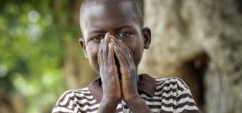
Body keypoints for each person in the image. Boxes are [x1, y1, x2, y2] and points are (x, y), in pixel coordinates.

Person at [52, 0, 200, 112]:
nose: (111, 45)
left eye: (124, 34)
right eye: (97, 38)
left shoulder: (173, 91)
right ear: (84, 49)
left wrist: (134, 100)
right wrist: (109, 101)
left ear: (146, 39)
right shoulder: (72, 102)